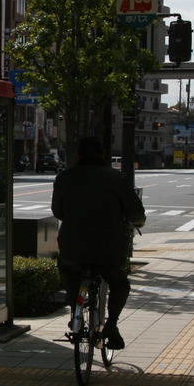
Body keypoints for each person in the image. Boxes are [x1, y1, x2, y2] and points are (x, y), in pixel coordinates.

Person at [51, 136, 146, 350]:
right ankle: (111, 324)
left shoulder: (65, 178)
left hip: (73, 245)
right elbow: (136, 213)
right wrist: (136, 222)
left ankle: (75, 313)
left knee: (70, 272)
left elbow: (58, 212)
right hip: (109, 247)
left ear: (79, 155)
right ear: (102, 154)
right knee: (119, 283)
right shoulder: (116, 178)